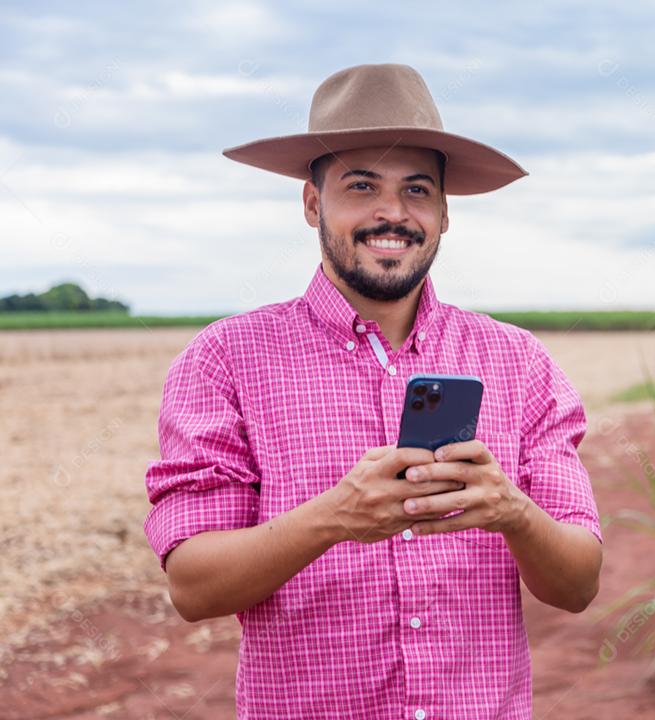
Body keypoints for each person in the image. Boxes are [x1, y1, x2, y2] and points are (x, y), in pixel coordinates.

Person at [142, 63, 603, 719]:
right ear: (312, 203)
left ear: (444, 213)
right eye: (362, 186)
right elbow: (192, 586)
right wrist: (336, 517)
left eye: (417, 190)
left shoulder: (519, 361)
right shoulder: (226, 359)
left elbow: (579, 584)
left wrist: (513, 513)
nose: (392, 212)